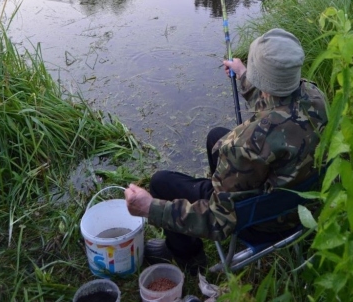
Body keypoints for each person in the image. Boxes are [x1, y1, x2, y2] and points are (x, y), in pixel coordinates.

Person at [125, 28, 327, 273]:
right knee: (215, 136)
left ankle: (187, 255)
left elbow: (218, 220)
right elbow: (277, 107)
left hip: (264, 222)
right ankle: (223, 186)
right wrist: (243, 75)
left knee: (161, 182)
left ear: (262, 80)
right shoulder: (316, 98)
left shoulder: (243, 144)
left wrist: (150, 208)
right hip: (299, 205)